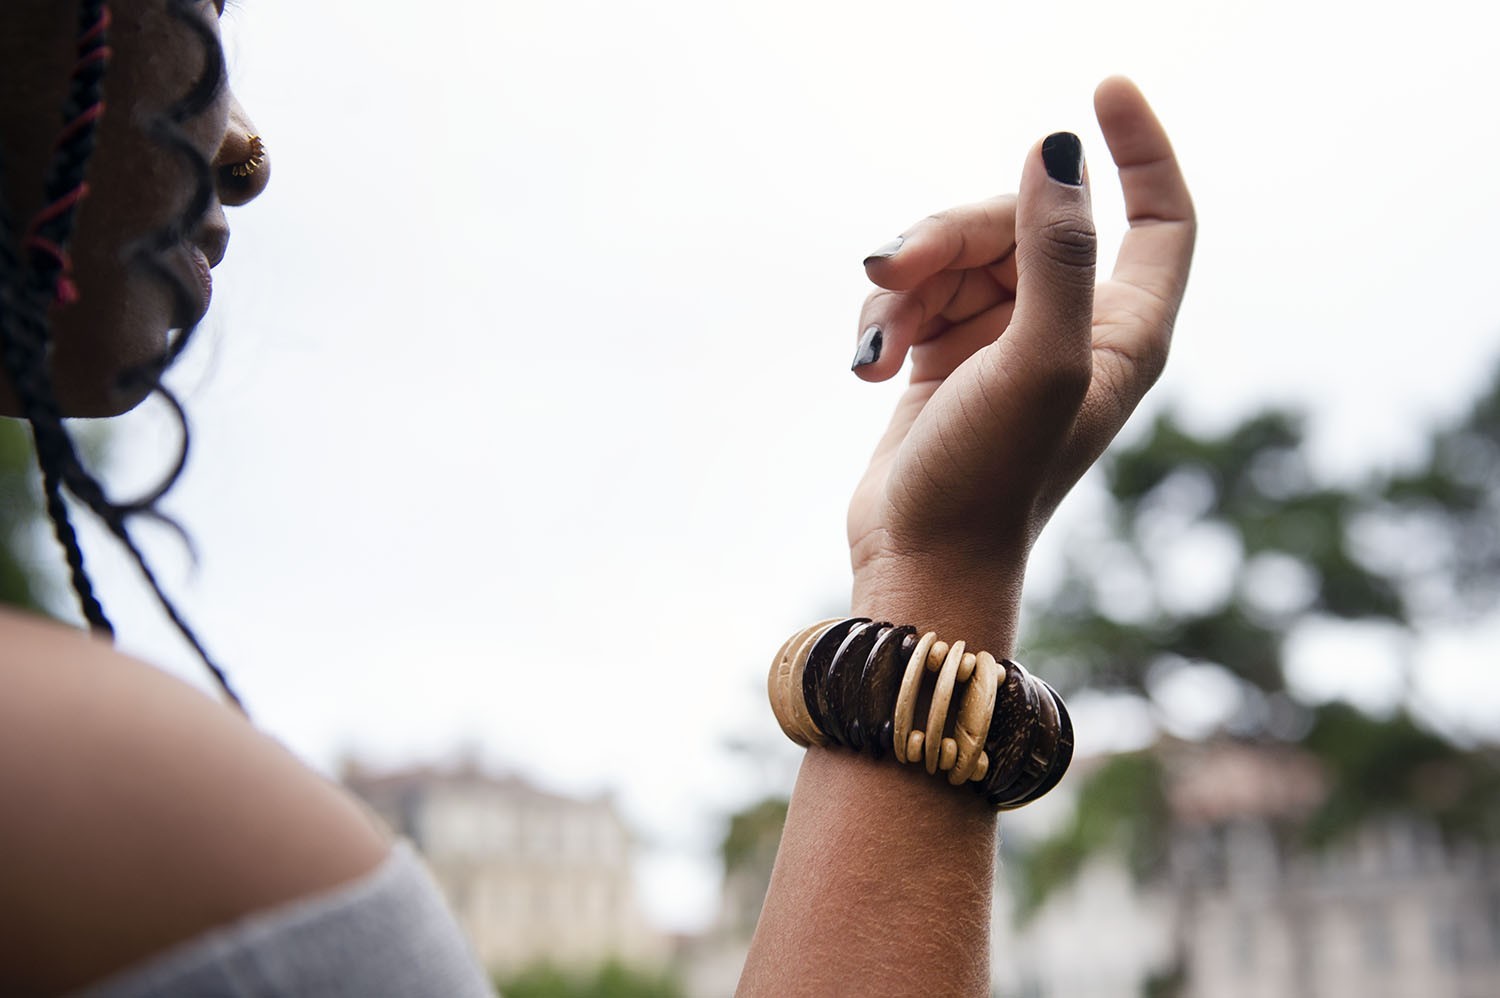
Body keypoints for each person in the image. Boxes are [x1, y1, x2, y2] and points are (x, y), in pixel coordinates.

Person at [0, 1, 1194, 995]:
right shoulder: (119, 821)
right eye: (199, 8)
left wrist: (925, 559)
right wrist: (945, 574)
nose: (245, 151)